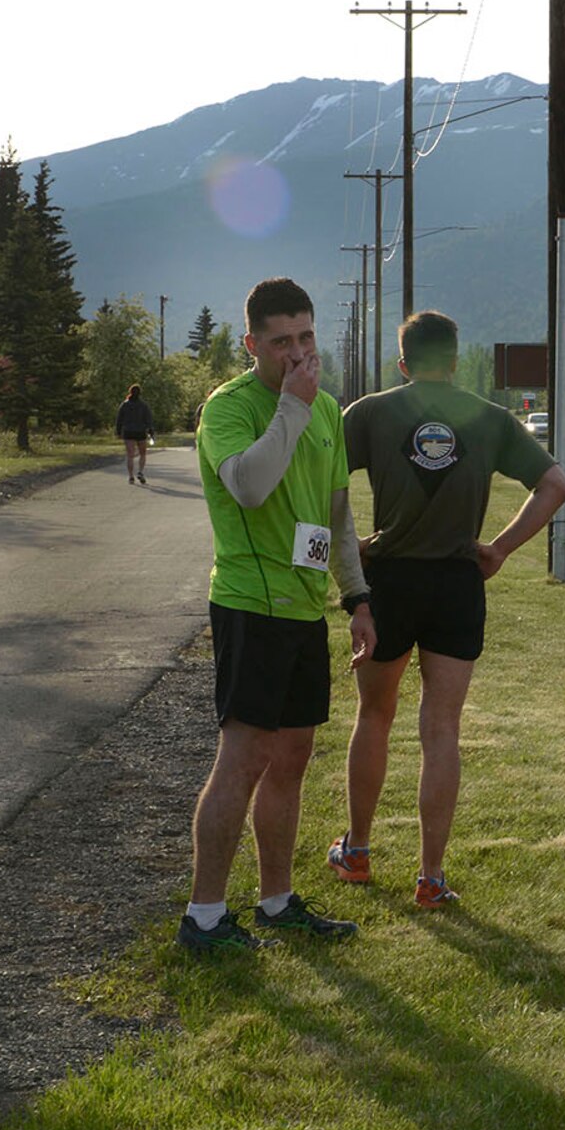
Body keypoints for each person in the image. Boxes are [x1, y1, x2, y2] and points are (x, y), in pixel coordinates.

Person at [327, 311, 565, 907]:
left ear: (402, 362)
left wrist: (353, 545)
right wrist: (500, 548)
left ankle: (357, 852)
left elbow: (321, 482)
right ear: (457, 362)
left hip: (389, 580)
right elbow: (555, 485)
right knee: (442, 729)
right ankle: (431, 878)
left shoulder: (370, 412)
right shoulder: (488, 417)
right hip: (457, 582)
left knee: (374, 716)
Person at [181, 277, 371, 953]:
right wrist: (291, 405)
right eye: (282, 341)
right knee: (243, 758)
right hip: (249, 605)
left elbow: (338, 518)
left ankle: (276, 901)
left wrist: (357, 598)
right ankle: (204, 917)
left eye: (306, 337)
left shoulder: (327, 410)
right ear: (252, 344)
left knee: (291, 758)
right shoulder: (229, 408)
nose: (297, 353)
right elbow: (252, 487)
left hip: (304, 609)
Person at [117, 383, 154, 484]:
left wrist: (118, 431)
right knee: (143, 454)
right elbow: (148, 419)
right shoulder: (143, 405)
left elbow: (119, 419)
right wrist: (150, 431)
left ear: (130, 392)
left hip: (128, 432)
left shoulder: (124, 405)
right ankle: (140, 471)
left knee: (130, 455)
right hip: (140, 432)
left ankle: (130, 476)